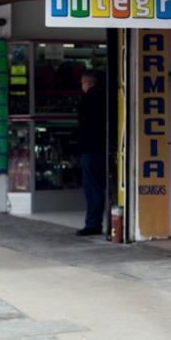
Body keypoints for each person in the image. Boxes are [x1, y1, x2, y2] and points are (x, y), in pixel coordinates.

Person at [76, 70, 107, 236]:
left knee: (92, 188)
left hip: (91, 149)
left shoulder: (89, 99)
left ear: (88, 83)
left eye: (82, 82)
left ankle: (93, 224)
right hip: (106, 148)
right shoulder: (108, 96)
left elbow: (85, 127)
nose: (82, 86)